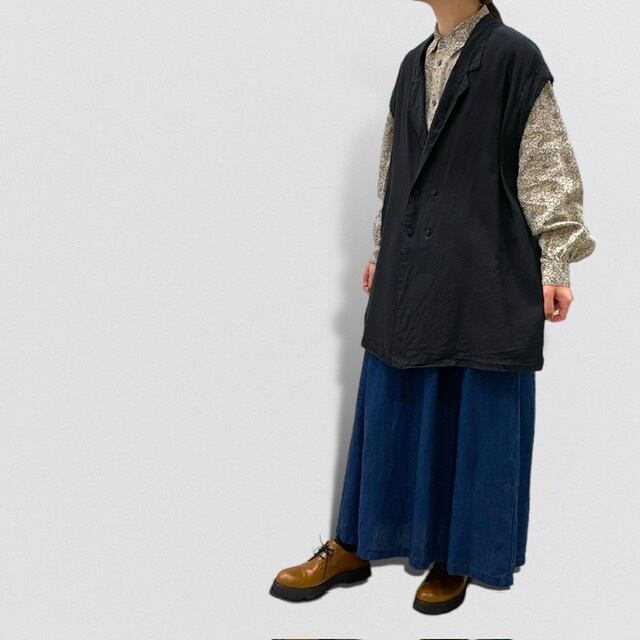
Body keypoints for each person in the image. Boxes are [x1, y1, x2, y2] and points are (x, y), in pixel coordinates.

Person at [269, 0, 595, 614]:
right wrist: (382, 245)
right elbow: (394, 169)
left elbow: (546, 165)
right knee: (390, 397)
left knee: (475, 398)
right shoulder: (412, 64)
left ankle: (459, 552)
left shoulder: (514, 57)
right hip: (410, 261)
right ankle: (356, 542)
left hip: (484, 264)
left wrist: (557, 258)